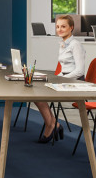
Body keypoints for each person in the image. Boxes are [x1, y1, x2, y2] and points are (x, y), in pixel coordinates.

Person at [33, 14, 86, 143]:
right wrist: (55, 78)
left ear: (71, 28)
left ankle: (51, 125)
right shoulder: (63, 44)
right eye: (57, 27)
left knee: (38, 96)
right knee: (35, 93)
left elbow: (79, 71)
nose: (59, 29)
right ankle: (54, 124)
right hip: (65, 81)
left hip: (75, 83)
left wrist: (61, 80)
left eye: (63, 26)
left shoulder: (75, 45)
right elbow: (64, 69)